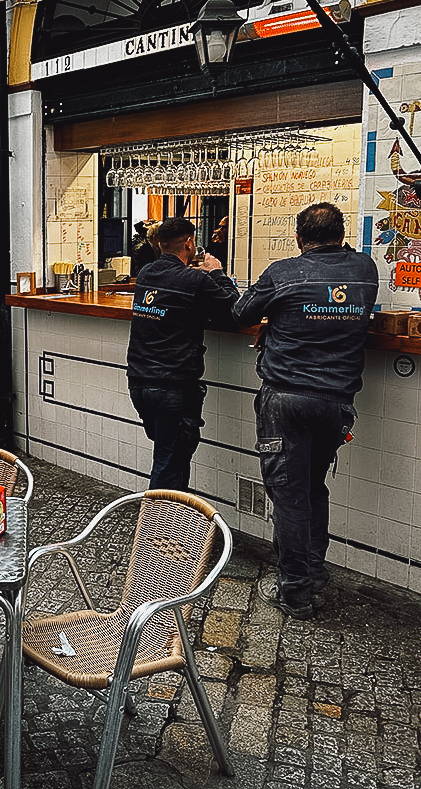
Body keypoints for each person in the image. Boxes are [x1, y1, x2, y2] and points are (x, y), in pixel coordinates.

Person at [221, 202, 378, 620]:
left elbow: (238, 314)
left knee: (289, 497)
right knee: (313, 490)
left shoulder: (283, 272)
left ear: (298, 237)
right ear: (342, 233)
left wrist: (274, 319)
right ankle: (314, 575)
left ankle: (295, 592)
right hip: (336, 402)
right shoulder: (365, 270)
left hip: (286, 401)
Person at [126, 217, 235, 493]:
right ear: (189, 243)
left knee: (172, 456)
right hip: (173, 386)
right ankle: (155, 530)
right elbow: (235, 309)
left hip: (139, 383)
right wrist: (217, 273)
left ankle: (175, 523)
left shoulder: (147, 273)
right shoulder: (195, 279)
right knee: (168, 461)